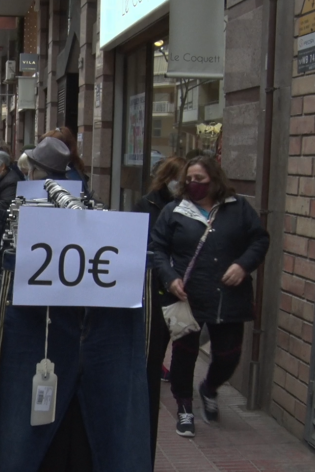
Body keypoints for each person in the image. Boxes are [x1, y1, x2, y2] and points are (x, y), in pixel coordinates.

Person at [150, 156, 270, 438]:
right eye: (189, 180)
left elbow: (260, 240)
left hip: (228, 297)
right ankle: (184, 407)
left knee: (229, 355)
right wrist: (169, 277)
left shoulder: (238, 208)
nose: (194, 185)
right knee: (184, 354)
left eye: (200, 180)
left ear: (215, 180)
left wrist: (243, 265)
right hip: (187, 297)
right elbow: (158, 249)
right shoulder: (174, 210)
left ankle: (209, 388)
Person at [133, 155, 186, 464]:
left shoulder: (187, 210)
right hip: (153, 291)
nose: (184, 185)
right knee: (152, 356)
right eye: (180, 178)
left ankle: (185, 404)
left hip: (179, 289)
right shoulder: (147, 205)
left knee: (185, 345)